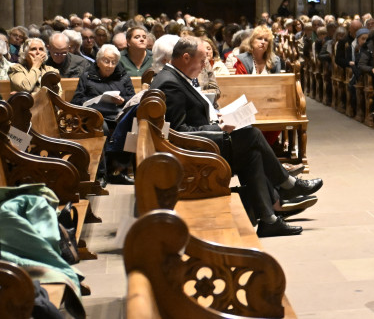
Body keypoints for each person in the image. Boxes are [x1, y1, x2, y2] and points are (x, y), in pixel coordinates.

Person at [150, 37, 322, 238]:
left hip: (200, 145)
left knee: (252, 154)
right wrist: (220, 130)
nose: (204, 65)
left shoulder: (175, 77)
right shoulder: (171, 83)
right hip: (193, 154)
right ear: (186, 57)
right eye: (201, 60)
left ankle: (270, 219)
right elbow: (179, 133)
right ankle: (286, 184)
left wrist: (217, 120)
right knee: (251, 135)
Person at [72, 44, 136, 185]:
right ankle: (101, 174)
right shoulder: (87, 76)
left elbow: (132, 98)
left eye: (114, 62)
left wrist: (121, 101)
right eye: (106, 61)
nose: (110, 65)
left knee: (131, 126)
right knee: (102, 129)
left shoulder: (123, 76)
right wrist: (95, 100)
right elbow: (76, 100)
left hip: (117, 113)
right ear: (98, 61)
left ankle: (119, 171)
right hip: (95, 116)